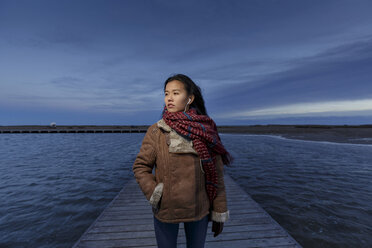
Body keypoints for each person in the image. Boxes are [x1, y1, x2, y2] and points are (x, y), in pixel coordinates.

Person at [132, 73, 234, 248]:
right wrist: (156, 193)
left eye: (176, 93)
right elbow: (141, 167)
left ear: (190, 98)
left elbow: (216, 176)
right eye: (166, 93)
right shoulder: (156, 131)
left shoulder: (206, 131)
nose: (169, 98)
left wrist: (219, 211)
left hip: (199, 209)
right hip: (166, 209)